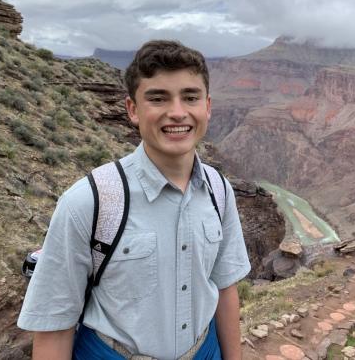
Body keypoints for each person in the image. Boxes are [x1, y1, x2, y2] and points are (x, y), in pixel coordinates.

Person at [17, 40, 251, 359]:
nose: (177, 112)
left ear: (207, 106)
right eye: (158, 98)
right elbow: (54, 327)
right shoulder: (88, 202)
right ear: (133, 110)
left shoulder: (219, 190)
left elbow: (225, 289)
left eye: (190, 97)